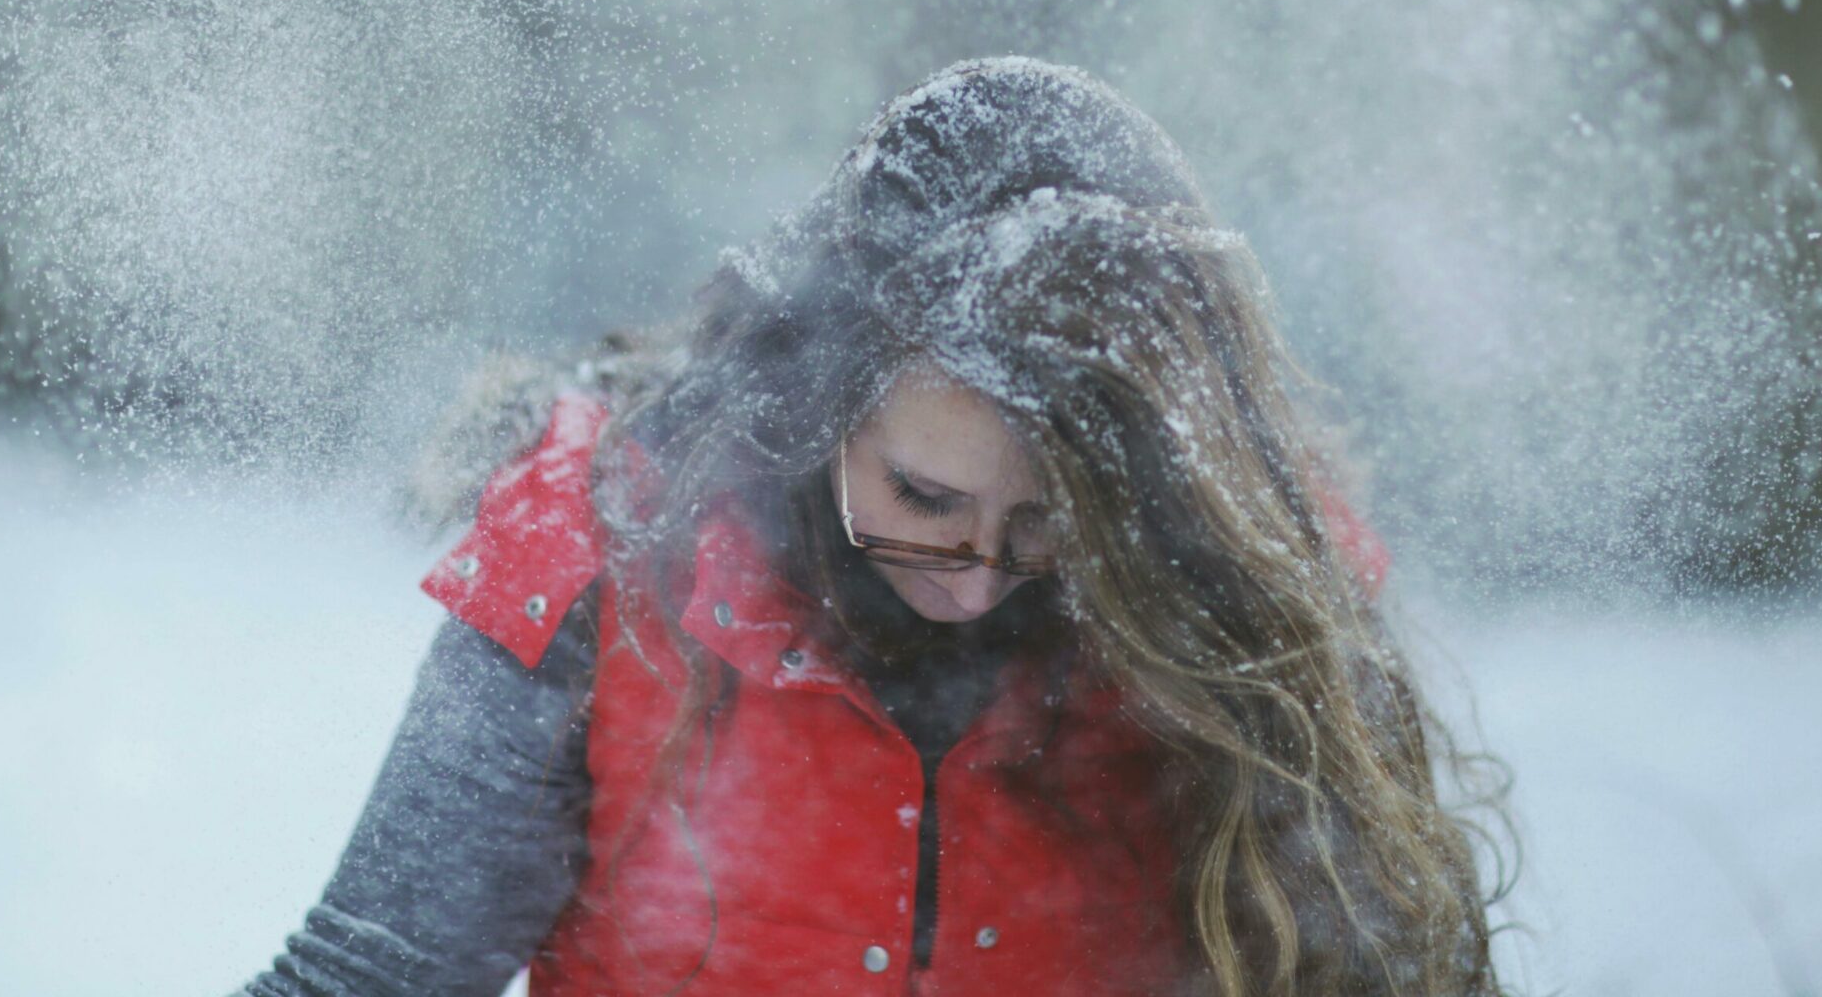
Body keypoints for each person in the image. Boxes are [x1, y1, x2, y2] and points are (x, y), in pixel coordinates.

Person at [238, 57, 1505, 997]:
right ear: (820, 400)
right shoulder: (597, 547)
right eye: (922, 500)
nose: (970, 583)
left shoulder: (1243, 596)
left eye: (1048, 526)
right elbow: (373, 969)